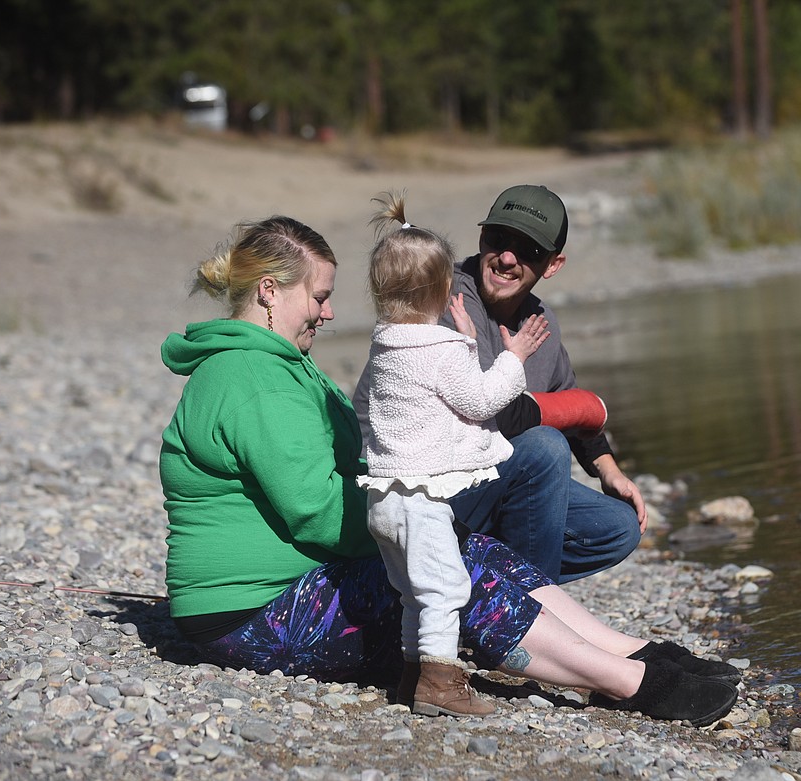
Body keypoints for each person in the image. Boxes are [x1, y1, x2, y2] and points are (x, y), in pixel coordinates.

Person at [158, 214, 740, 728]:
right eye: (319, 297)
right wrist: (419, 533)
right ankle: (628, 684)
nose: (329, 311)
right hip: (248, 612)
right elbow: (315, 511)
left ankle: (629, 652)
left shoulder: (280, 367)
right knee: (448, 565)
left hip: (283, 590)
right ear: (268, 291)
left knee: (465, 547)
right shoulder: (250, 378)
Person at [353, 184, 645, 584]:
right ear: (481, 236)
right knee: (544, 448)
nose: (507, 257)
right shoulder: (441, 298)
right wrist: (577, 407)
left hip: (482, 474)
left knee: (617, 528)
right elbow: (491, 409)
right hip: (420, 487)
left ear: (554, 264)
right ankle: (529, 615)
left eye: (529, 251)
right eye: (498, 239)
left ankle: (486, 587)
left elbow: (565, 399)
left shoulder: (541, 323)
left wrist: (607, 468)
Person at [357, 193, 549, 716]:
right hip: (422, 502)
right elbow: (479, 398)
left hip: (383, 500)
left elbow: (388, 396)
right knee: (445, 589)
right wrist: (513, 360)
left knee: (412, 594)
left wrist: (464, 339)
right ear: (445, 291)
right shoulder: (438, 350)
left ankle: (411, 676)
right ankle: (441, 686)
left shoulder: (386, 345)